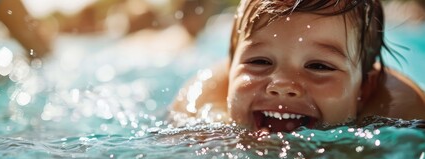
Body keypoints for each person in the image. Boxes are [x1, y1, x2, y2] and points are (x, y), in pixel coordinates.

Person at [170, 0, 425, 133]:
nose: (282, 85)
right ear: (232, 69)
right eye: (259, 61)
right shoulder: (202, 113)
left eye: (319, 66)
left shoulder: (402, 121)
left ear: (363, 90)